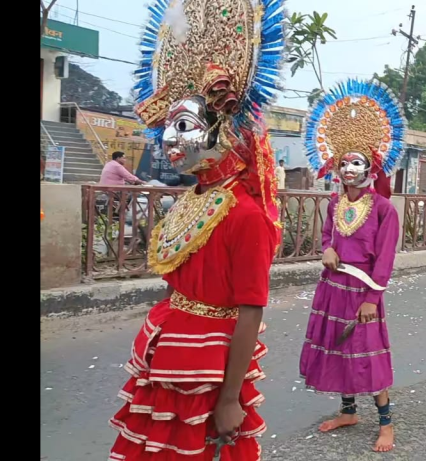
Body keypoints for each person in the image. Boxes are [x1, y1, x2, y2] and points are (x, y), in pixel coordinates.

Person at [106, 1, 285, 459]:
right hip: (166, 348)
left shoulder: (246, 215)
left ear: (219, 129)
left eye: (182, 126)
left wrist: (228, 400)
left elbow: (250, 310)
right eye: (167, 127)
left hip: (209, 362)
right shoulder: (194, 198)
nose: (168, 141)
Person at [298, 78, 406, 452]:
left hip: (363, 292)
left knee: (368, 357)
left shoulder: (383, 209)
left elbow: (386, 260)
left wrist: (371, 301)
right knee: (338, 349)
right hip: (332, 288)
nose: (347, 169)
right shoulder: (334, 202)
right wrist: (326, 248)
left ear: (371, 168)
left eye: (355, 162)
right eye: (342, 162)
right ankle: (348, 411)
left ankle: (386, 423)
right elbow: (329, 234)